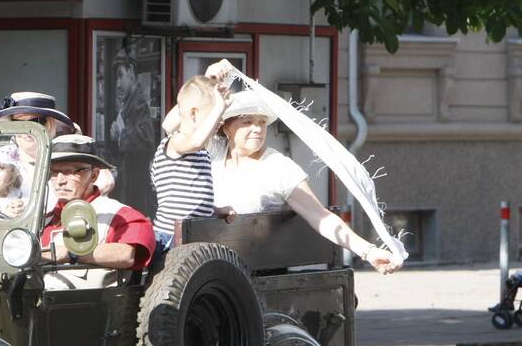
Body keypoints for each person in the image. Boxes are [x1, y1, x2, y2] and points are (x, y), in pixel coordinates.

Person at [211, 88, 401, 274]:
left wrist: (368, 251)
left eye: (262, 122)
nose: (257, 129)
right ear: (226, 127)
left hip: (259, 273)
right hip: (211, 267)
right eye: (247, 121)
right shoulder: (212, 158)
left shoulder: (279, 167)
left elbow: (319, 215)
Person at [41, 135, 155, 272]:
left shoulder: (121, 215)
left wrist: (71, 253)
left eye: (69, 172)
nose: (59, 181)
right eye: (53, 172)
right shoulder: (44, 219)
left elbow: (127, 254)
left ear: (94, 175)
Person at [150, 73, 230, 254]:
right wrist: (219, 107)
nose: (220, 120)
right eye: (215, 115)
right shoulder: (176, 142)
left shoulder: (200, 152)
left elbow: (190, 199)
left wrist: (214, 210)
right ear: (193, 113)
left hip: (193, 234)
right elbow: (195, 141)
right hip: (170, 236)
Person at [0, 91, 116, 198]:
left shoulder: (65, 156)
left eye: (36, 122)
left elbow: (105, 182)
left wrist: (77, 141)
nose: (27, 130)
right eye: (18, 123)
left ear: (51, 124)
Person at [107, 46, 158, 218]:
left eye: (120, 75)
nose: (118, 84)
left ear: (130, 71)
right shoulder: (129, 104)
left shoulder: (139, 104)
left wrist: (121, 136)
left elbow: (146, 143)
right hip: (130, 187)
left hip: (136, 190)